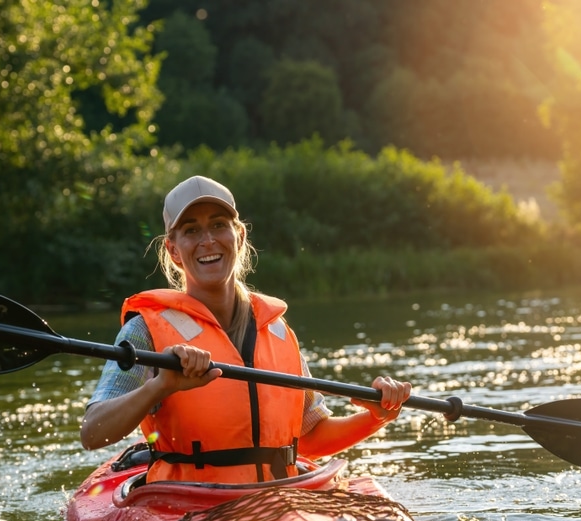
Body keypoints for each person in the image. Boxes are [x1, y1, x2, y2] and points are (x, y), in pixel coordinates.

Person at [80, 175, 412, 484]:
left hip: (275, 499)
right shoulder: (145, 331)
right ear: (173, 250)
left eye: (218, 225)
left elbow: (309, 437)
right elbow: (93, 433)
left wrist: (377, 416)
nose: (208, 240)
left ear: (238, 236)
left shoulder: (277, 331)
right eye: (191, 230)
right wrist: (159, 387)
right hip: (188, 505)